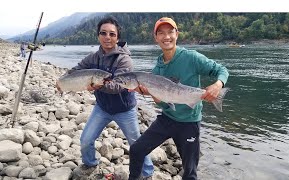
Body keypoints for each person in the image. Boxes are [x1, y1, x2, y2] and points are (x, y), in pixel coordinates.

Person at [128, 17, 229, 180]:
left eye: (170, 32)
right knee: (136, 150)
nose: (166, 37)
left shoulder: (192, 58)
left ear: (177, 34)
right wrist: (146, 92)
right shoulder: (157, 68)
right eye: (161, 33)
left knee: (189, 171)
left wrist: (218, 85)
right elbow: (160, 101)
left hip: (189, 122)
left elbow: (222, 70)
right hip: (167, 119)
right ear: (156, 38)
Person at [56, 16, 154, 179]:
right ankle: (90, 163)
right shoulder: (93, 57)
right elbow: (76, 69)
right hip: (102, 108)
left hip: (125, 110)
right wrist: (63, 80)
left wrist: (96, 85)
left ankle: (147, 173)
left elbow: (118, 87)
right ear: (98, 35)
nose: (107, 37)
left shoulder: (125, 60)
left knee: (136, 144)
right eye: (103, 33)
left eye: (112, 34)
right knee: (86, 139)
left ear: (118, 37)